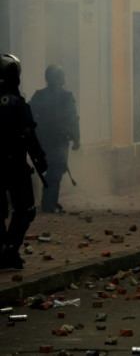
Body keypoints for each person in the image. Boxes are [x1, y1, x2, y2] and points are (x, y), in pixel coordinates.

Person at [0, 54, 47, 269]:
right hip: (15, 166)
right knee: (25, 209)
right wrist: (40, 159)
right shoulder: (18, 104)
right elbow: (29, 136)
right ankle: (9, 250)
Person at [29, 65, 80, 213]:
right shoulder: (66, 96)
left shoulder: (39, 95)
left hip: (45, 140)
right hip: (57, 141)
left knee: (53, 170)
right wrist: (76, 139)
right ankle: (48, 203)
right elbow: (73, 120)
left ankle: (51, 202)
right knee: (55, 171)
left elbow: (30, 115)